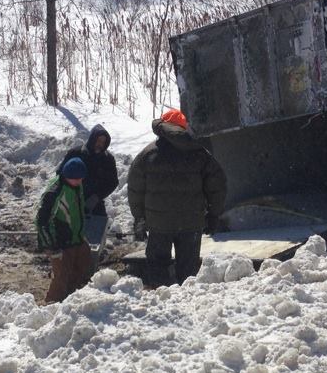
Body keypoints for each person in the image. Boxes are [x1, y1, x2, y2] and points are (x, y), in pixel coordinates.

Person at [128, 108, 227, 286]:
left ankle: (161, 300)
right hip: (191, 222)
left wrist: (139, 218)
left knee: (158, 266)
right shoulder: (199, 153)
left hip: (159, 223)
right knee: (188, 269)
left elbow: (136, 189)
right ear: (183, 127)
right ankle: (188, 302)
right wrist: (214, 214)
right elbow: (217, 186)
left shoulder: (148, 155)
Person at [36, 157, 93, 302]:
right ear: (67, 176)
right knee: (61, 276)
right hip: (59, 240)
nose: (79, 182)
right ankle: (52, 305)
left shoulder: (75, 184)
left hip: (76, 236)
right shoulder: (55, 191)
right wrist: (51, 245)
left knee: (83, 265)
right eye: (76, 179)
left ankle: (71, 299)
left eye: (81, 178)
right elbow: (42, 220)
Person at [58, 125, 119, 217]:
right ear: (92, 139)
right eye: (98, 141)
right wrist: (70, 192)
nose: (100, 144)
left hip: (94, 201)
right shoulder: (75, 153)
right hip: (71, 197)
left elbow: (113, 182)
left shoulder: (108, 159)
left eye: (103, 142)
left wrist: (96, 197)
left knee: (98, 226)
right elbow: (61, 173)